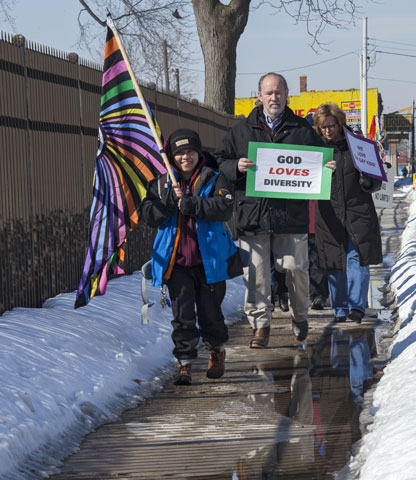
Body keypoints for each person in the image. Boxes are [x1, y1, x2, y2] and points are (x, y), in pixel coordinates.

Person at [214, 72, 323, 346]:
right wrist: (235, 167)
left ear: (286, 95)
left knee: (297, 268)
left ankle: (300, 315)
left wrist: (326, 167)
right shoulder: (242, 130)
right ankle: (260, 326)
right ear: (259, 96)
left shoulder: (302, 130)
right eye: (268, 93)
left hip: (291, 215)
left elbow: (320, 160)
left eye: (278, 92)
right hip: (253, 215)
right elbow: (219, 161)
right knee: (256, 274)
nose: (273, 97)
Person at [139, 128, 243, 385]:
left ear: (198, 153)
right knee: (182, 316)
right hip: (177, 263)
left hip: (210, 262)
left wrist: (192, 205)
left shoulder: (215, 177)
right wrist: (167, 205)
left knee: (211, 314)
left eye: (190, 151)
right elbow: (147, 213)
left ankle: (216, 349)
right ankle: (184, 362)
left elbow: (224, 208)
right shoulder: (162, 182)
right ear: (172, 156)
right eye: (179, 152)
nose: (185, 157)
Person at [312, 103, 382, 323]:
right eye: (323, 128)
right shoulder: (315, 151)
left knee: (356, 257)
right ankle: (340, 307)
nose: (327, 131)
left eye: (331, 126)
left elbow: (377, 179)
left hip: (357, 212)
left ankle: (357, 307)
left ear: (340, 123)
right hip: (329, 214)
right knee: (334, 261)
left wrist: (369, 180)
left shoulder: (358, 146)